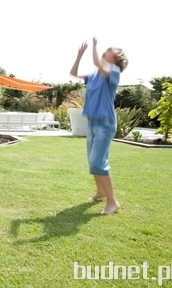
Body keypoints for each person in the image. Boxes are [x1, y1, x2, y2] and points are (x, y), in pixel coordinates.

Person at [69, 38, 128, 215]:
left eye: (109, 50)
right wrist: (79, 56)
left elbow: (97, 62)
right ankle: (101, 192)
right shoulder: (94, 75)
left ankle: (112, 202)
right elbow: (73, 73)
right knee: (92, 161)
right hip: (92, 122)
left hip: (105, 123)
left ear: (116, 58)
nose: (105, 50)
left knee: (98, 161)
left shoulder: (114, 72)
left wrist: (94, 47)